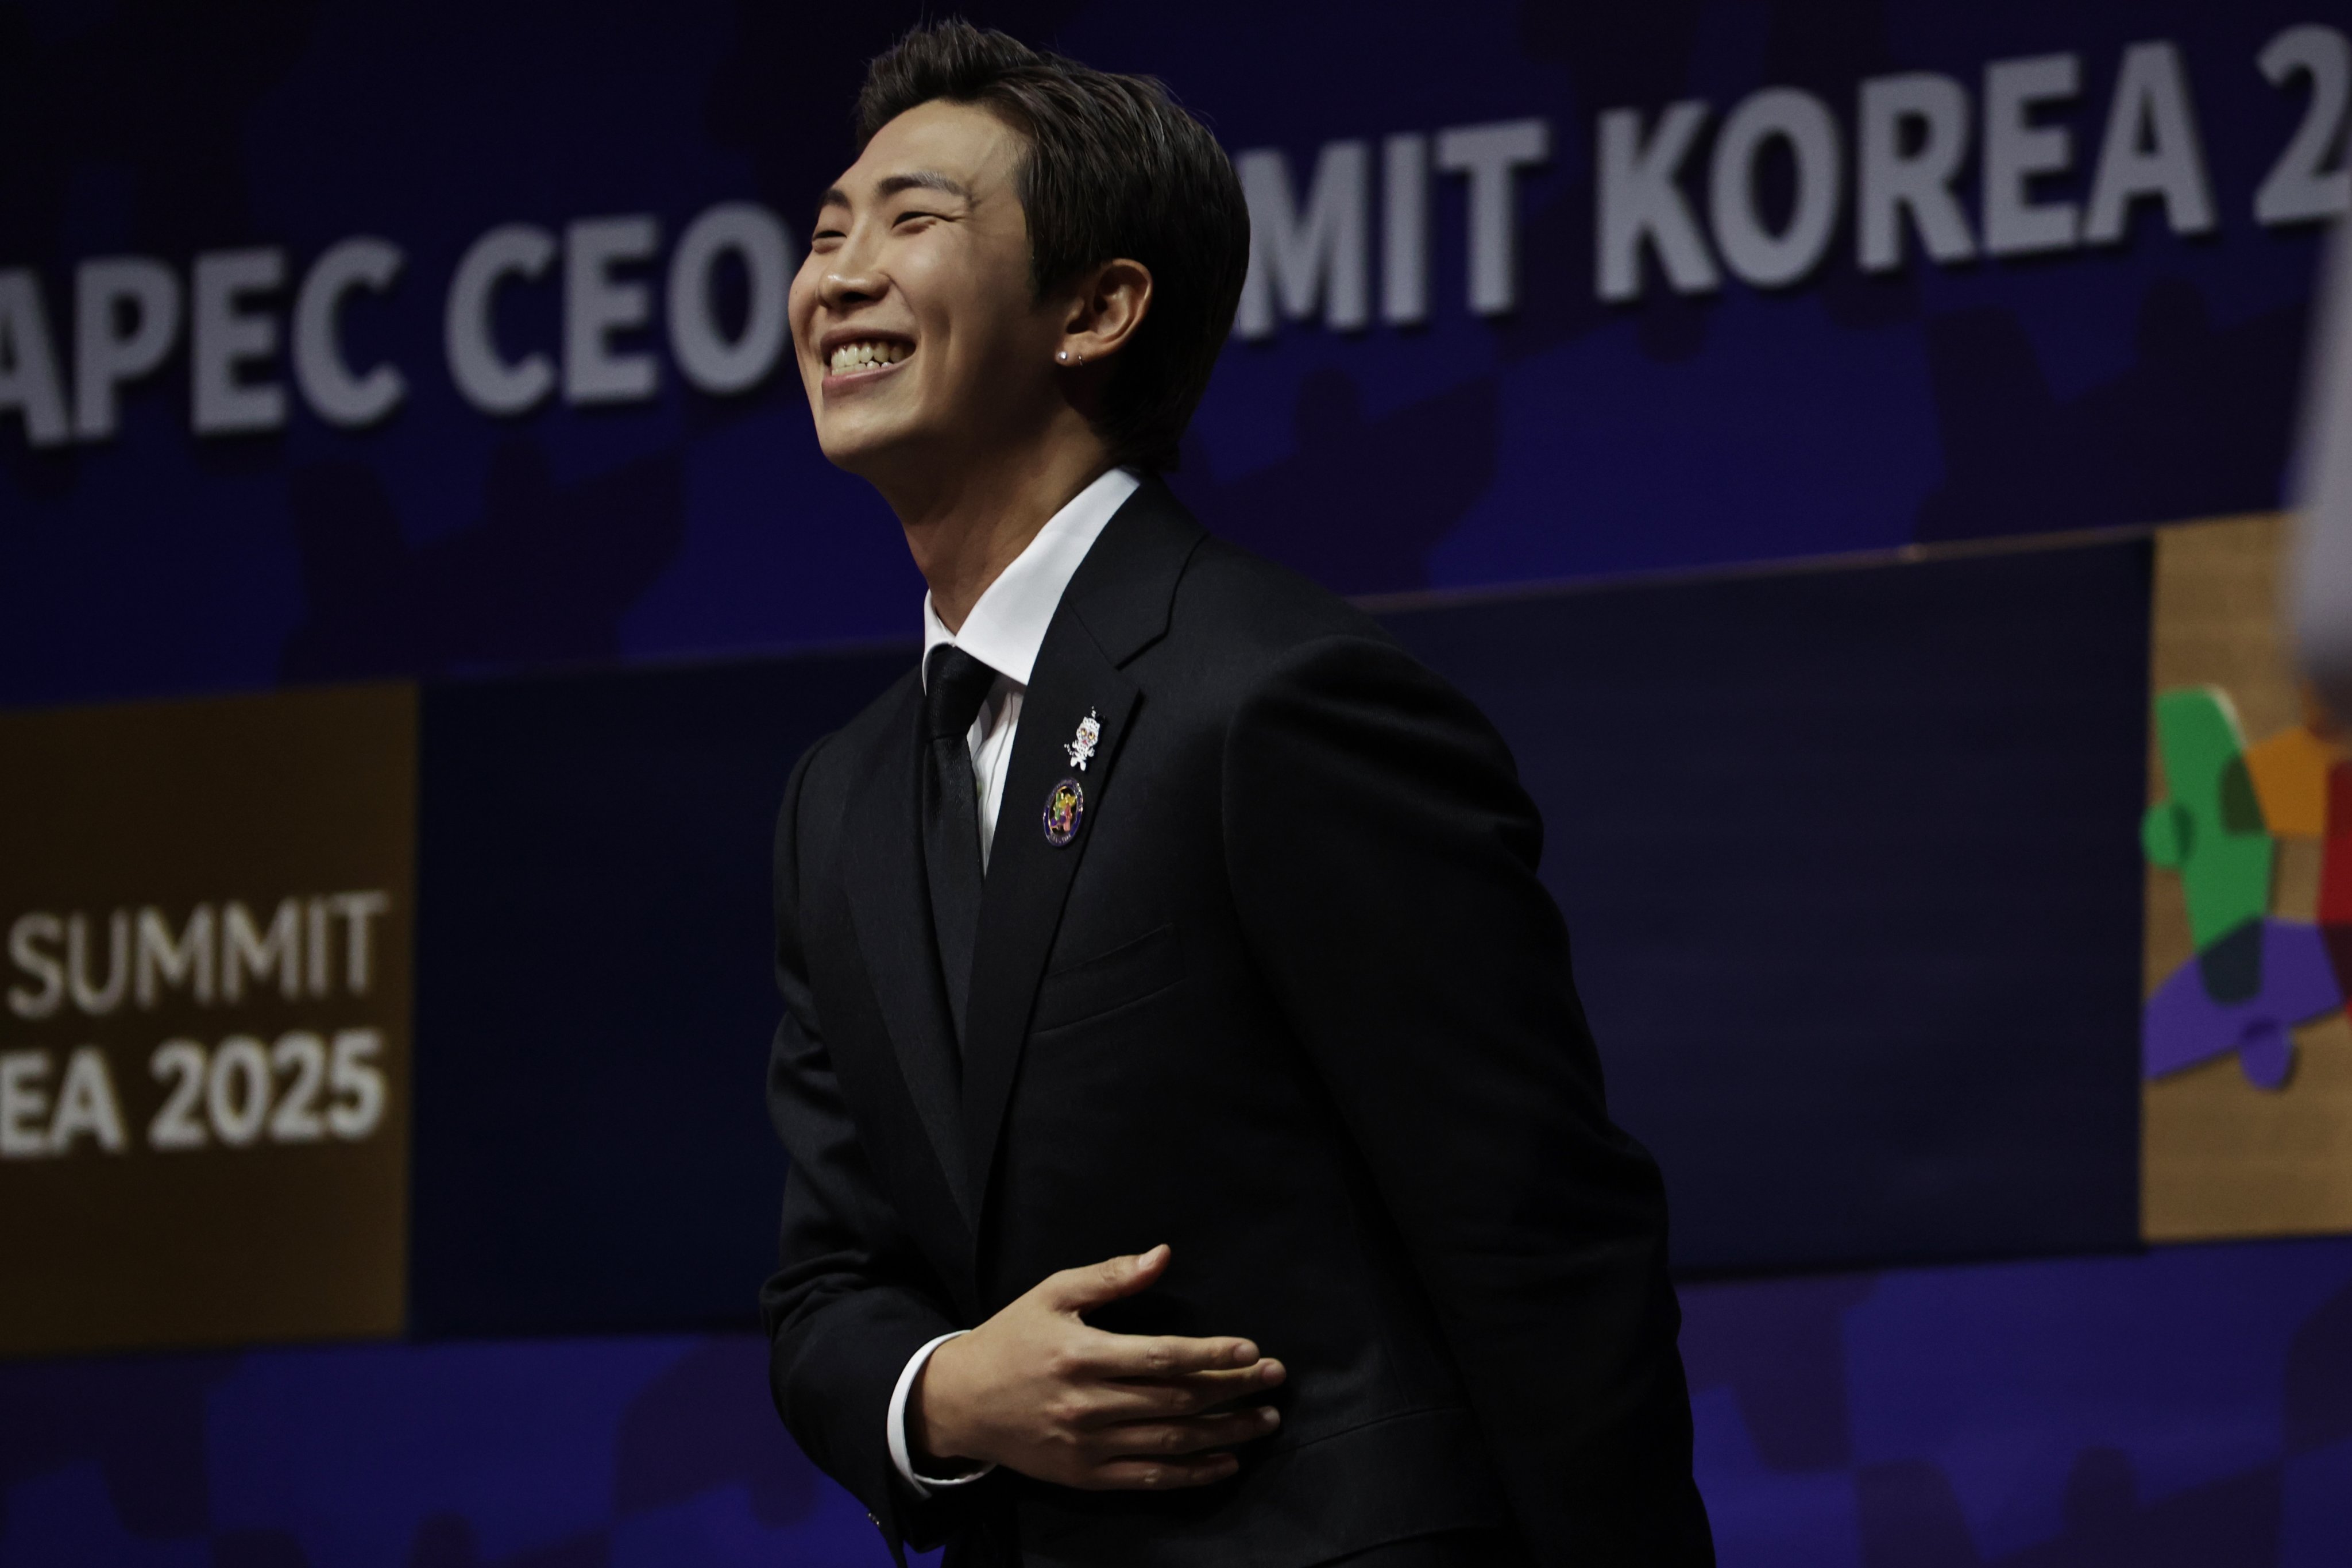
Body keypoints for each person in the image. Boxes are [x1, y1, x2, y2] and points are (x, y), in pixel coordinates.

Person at [759, 20, 1713, 1567]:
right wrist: (949, 1392)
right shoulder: (838, 801)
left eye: (912, 221)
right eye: (826, 233)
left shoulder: (1279, 696)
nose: (838, 278)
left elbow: (1541, 1239)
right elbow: (826, 1290)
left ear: (1098, 307)